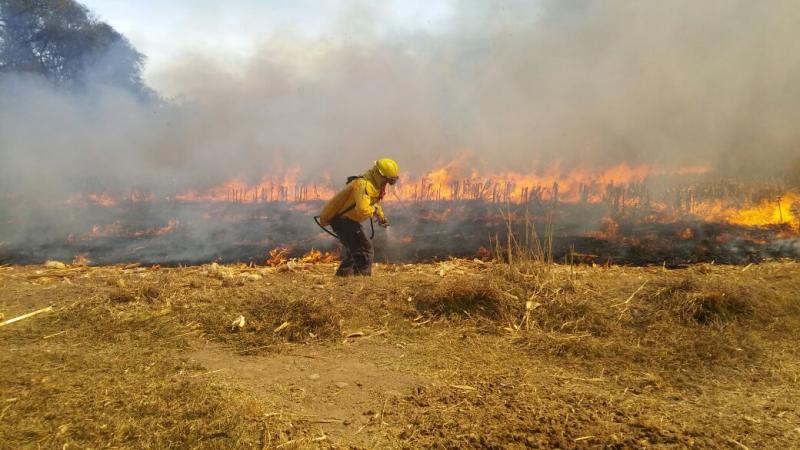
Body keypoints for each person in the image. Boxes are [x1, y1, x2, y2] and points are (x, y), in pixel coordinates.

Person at [318, 158, 399, 276]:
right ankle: (362, 279)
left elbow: (374, 202)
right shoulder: (362, 185)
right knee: (365, 249)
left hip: (348, 221)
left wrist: (381, 217)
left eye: (390, 181)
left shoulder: (374, 185)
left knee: (355, 250)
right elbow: (363, 210)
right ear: (378, 174)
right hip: (343, 221)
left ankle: (343, 278)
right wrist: (374, 210)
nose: (387, 183)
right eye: (386, 180)